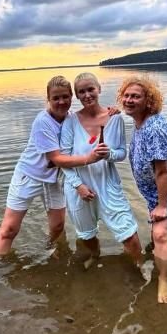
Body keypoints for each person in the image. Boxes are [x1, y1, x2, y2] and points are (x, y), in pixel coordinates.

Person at [0, 75, 106, 294]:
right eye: (56, 98)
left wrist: (111, 112)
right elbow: (57, 158)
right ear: (48, 99)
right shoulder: (43, 121)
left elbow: (93, 118)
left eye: (65, 97)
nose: (61, 102)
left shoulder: (71, 118)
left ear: (71, 97)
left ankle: (52, 256)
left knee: (58, 227)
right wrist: (89, 159)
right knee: (9, 229)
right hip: (29, 176)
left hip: (54, 180)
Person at [60, 72, 144, 272]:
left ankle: (140, 268)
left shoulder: (115, 118)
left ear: (99, 89)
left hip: (108, 184)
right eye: (82, 92)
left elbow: (122, 153)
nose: (87, 95)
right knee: (87, 234)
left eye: (91, 89)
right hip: (79, 187)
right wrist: (78, 186)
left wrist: (109, 154)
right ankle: (95, 254)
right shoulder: (70, 121)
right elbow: (62, 159)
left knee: (128, 233)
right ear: (77, 95)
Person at [117, 75, 167, 304]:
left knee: (159, 233)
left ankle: (163, 279)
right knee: (164, 232)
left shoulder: (154, 128)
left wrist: (162, 205)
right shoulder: (140, 122)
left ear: (148, 101)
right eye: (126, 96)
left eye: (135, 97)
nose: (129, 100)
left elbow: (163, 172)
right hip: (155, 192)